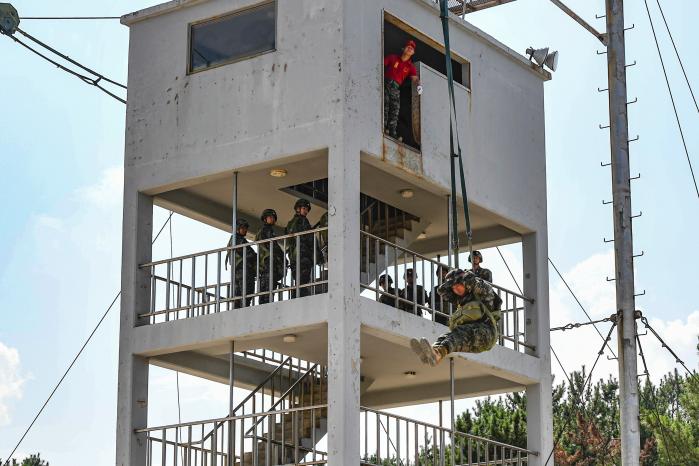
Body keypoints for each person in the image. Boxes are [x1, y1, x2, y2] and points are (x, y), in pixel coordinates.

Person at [410, 269, 502, 366]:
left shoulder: (483, 294)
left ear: (465, 284)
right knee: (445, 337)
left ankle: (438, 353)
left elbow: (478, 284)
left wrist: (464, 276)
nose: (456, 290)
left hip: (487, 334)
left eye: (458, 287)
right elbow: (441, 291)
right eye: (454, 288)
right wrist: (452, 281)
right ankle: (432, 354)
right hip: (473, 337)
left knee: (458, 334)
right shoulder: (462, 300)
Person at [384, 40, 423, 139]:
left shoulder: (410, 67)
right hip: (385, 84)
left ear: (413, 53)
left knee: (395, 110)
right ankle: (382, 127)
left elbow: (415, 78)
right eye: (408, 46)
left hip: (396, 88)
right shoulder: (393, 58)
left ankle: (392, 132)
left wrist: (419, 86)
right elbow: (380, 64)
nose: (410, 48)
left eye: (412, 48)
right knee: (385, 105)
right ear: (403, 49)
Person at [286, 198, 314, 297]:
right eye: (304, 208)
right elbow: (306, 237)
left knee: (300, 278)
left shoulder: (295, 222)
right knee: (302, 277)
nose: (306, 211)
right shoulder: (300, 221)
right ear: (298, 209)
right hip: (301, 254)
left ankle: (298, 294)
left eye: (307, 209)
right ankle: (299, 295)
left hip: (297, 255)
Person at [255, 208, 285, 304]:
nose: (272, 219)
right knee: (268, 288)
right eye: (270, 217)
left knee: (265, 290)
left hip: (265, 264)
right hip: (269, 262)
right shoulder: (267, 230)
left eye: (273, 217)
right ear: (265, 219)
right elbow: (273, 247)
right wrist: (283, 257)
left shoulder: (265, 231)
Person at [225, 218, 257, 308]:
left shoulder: (236, 239)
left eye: (246, 228)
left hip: (238, 270)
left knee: (238, 294)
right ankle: (243, 308)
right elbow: (248, 254)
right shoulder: (238, 240)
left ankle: (238, 309)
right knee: (247, 291)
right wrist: (255, 257)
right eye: (243, 228)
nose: (245, 230)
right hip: (243, 270)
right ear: (237, 228)